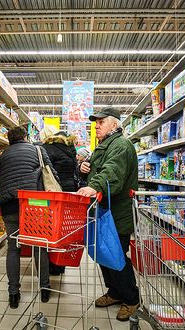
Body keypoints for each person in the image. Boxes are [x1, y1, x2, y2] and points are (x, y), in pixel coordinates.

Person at [77, 107, 140, 322]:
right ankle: (114, 292)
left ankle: (131, 299)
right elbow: (100, 168)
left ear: (114, 124)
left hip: (117, 212)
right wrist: (84, 168)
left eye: (101, 122)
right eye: (96, 123)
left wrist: (93, 186)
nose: (96, 126)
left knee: (116, 256)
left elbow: (112, 171)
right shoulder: (104, 145)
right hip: (104, 211)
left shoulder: (121, 145)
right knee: (103, 254)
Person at [0, 126, 59, 308]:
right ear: (25, 137)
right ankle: (44, 288)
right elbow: (52, 174)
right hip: (35, 205)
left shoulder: (3, 157)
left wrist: (3, 197)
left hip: (10, 206)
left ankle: (13, 293)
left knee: (13, 248)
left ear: (9, 140)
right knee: (39, 246)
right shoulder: (38, 150)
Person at [39, 125, 79, 275]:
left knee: (50, 229)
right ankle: (60, 264)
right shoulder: (69, 148)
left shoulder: (48, 148)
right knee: (63, 230)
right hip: (69, 192)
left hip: (54, 193)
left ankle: (51, 265)